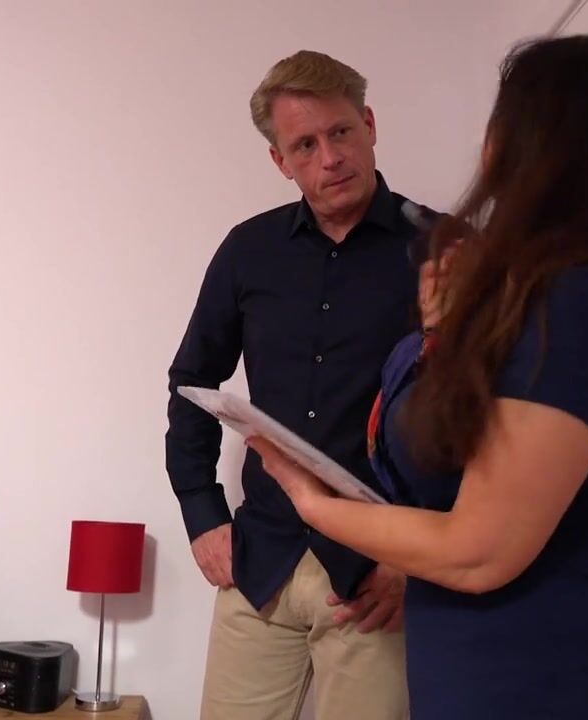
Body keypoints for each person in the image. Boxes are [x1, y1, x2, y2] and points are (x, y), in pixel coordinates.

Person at [249, 35, 588, 719]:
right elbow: (456, 449)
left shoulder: (584, 305)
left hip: (542, 675)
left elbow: (478, 551)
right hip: (479, 663)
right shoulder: (541, 291)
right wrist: (441, 332)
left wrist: (312, 503)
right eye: (305, 144)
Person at [165, 50, 421, 720]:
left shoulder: (441, 250)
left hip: (377, 576)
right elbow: (191, 381)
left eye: (341, 132)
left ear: (369, 124)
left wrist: (416, 560)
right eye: (305, 145)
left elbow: (478, 422)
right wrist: (202, 515)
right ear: (280, 160)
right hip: (261, 564)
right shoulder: (248, 250)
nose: (330, 157)